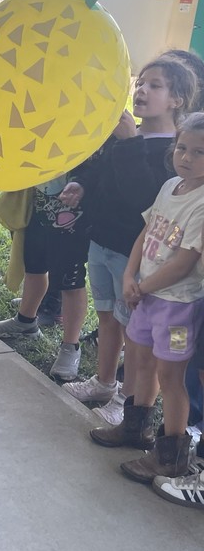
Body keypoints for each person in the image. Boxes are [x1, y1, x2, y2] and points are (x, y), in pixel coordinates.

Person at [60, 55, 196, 424]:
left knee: (136, 333)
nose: (141, 90)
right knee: (107, 316)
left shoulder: (175, 150)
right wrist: (81, 183)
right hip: (102, 241)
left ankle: (127, 398)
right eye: (140, 83)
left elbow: (146, 199)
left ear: (177, 100)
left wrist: (131, 143)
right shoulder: (127, 136)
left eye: (155, 86)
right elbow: (102, 170)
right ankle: (103, 381)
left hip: (134, 255)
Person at [107, 112, 204, 484]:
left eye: (199, 152)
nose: (187, 157)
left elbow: (184, 262)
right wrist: (131, 275)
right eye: (182, 147)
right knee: (141, 361)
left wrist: (142, 287)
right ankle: (136, 428)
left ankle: (171, 456)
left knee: (171, 375)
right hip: (144, 297)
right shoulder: (169, 187)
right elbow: (146, 233)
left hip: (176, 308)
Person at [0, 175, 89, 381]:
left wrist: (82, 182)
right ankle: (25, 321)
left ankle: (70, 346)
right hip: (38, 202)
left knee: (70, 280)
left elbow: (93, 165)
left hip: (73, 211)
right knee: (34, 266)